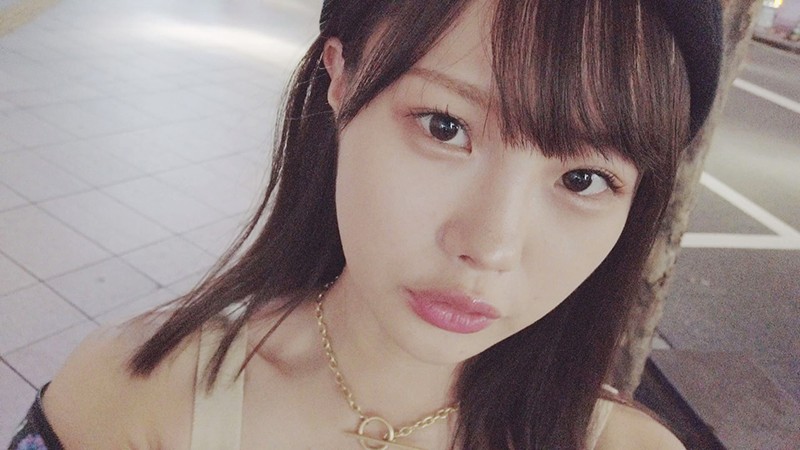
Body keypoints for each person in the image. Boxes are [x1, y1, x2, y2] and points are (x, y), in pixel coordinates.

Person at [8, 0, 723, 448]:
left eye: (583, 179)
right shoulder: (135, 394)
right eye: (445, 126)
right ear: (341, 77)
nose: (488, 245)